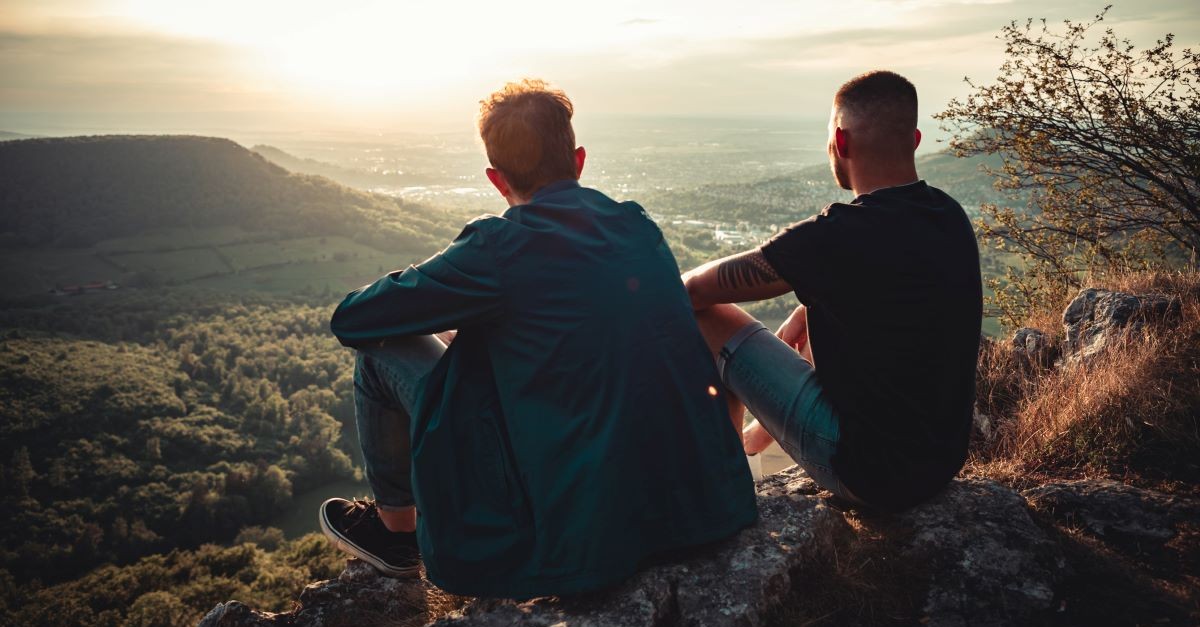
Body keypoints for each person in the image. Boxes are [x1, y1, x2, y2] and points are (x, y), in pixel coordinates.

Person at [320, 79, 757, 598]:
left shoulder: (497, 248)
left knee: (380, 353)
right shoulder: (637, 226)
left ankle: (396, 534)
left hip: (582, 532)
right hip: (699, 508)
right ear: (578, 159)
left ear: (495, 178)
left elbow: (354, 319)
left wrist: (445, 295)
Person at [682, 70, 982, 513]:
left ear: (840, 142)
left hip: (867, 473)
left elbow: (692, 290)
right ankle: (749, 446)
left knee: (708, 318)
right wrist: (809, 309)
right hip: (938, 464)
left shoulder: (836, 235)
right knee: (809, 314)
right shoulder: (948, 215)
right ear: (914, 139)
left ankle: (723, 484)